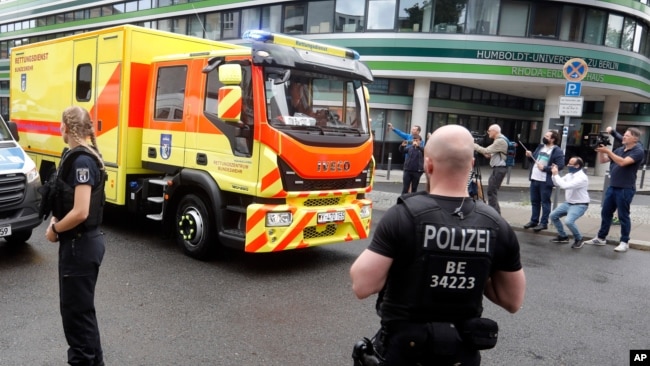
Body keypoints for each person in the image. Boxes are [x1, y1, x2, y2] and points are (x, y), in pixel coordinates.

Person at [350, 124, 526, 366]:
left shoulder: (402, 216)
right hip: (461, 355)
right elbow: (513, 300)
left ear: (427, 164)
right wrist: (473, 266)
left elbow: (362, 285)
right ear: (471, 165)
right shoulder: (496, 224)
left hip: (404, 352)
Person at [45, 106, 107, 366]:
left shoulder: (81, 161)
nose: (60, 129)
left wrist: (55, 230)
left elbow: (81, 211)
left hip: (79, 247)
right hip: (84, 245)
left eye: (61, 125)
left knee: (76, 320)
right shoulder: (83, 155)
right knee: (83, 316)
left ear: (67, 128)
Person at [582, 127, 645, 252]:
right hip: (613, 186)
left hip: (625, 188)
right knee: (605, 212)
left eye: (627, 135)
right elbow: (603, 160)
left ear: (635, 138)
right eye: (624, 135)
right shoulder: (620, 149)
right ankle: (601, 238)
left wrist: (609, 151)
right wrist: (601, 150)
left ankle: (624, 241)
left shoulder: (638, 151)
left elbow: (622, 163)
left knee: (623, 216)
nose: (624, 137)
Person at [523, 130, 565, 232]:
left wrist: (545, 168)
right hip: (534, 178)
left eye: (547, 136)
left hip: (545, 180)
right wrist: (529, 156)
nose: (544, 137)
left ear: (553, 139)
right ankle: (534, 220)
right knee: (534, 201)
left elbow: (560, 165)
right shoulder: (540, 147)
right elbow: (534, 160)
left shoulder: (557, 150)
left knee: (545, 202)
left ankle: (544, 222)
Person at [549, 156, 590, 249]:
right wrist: (553, 173)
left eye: (570, 164)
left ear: (577, 166)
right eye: (568, 163)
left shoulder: (582, 178)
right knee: (553, 216)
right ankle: (563, 236)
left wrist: (556, 174)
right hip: (568, 203)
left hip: (580, 204)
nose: (568, 165)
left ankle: (579, 239)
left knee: (569, 221)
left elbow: (565, 186)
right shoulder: (569, 175)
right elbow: (556, 183)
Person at [473, 124, 508, 214]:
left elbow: (486, 150)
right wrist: (487, 154)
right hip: (498, 169)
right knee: (491, 191)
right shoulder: (499, 140)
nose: (488, 133)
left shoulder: (500, 141)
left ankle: (494, 214)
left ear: (494, 131)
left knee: (491, 192)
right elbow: (489, 154)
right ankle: (495, 213)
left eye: (489, 131)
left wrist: (473, 145)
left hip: (499, 169)